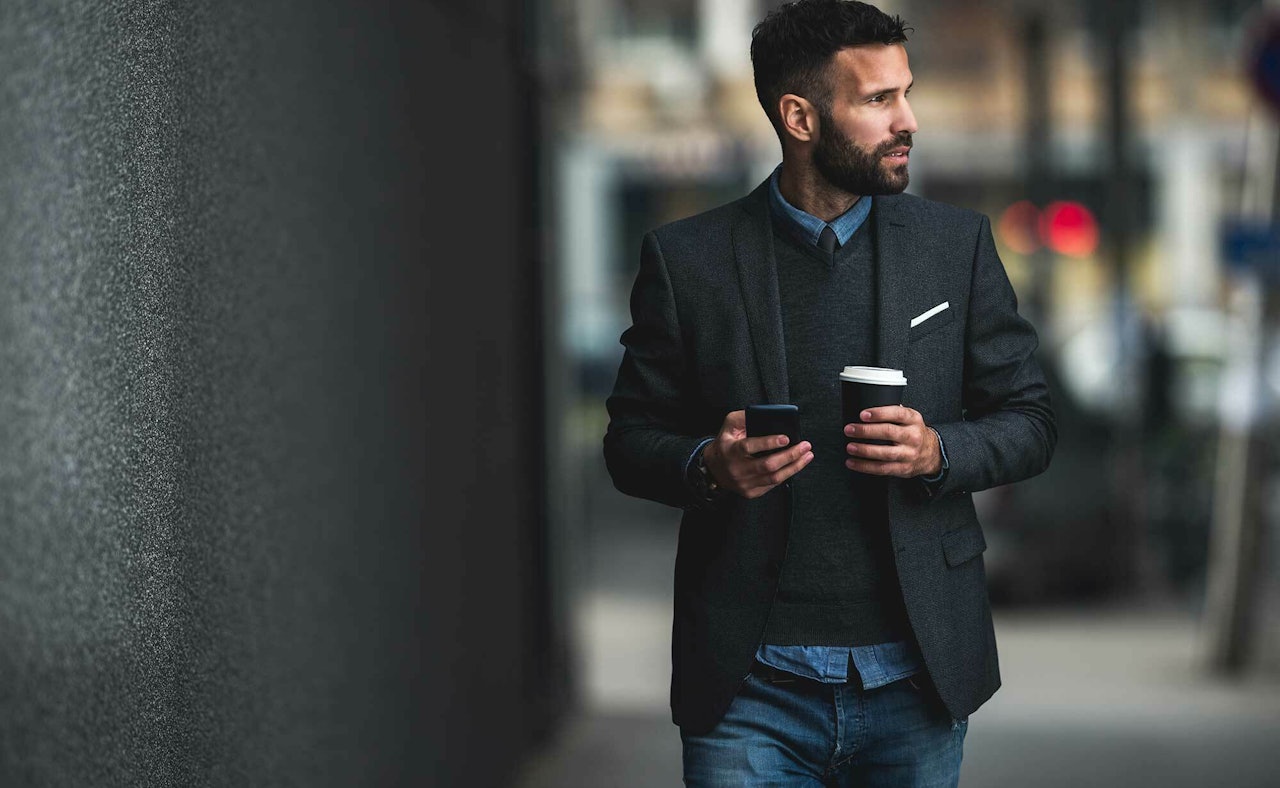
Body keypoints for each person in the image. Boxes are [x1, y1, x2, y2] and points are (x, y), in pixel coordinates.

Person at [602, 1, 1056, 784]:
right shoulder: (687, 260)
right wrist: (710, 465)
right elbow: (629, 440)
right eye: (879, 100)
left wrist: (939, 450)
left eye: (906, 92)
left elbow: (1033, 419)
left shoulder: (957, 248)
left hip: (916, 677)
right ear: (800, 117)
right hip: (749, 687)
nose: (908, 119)